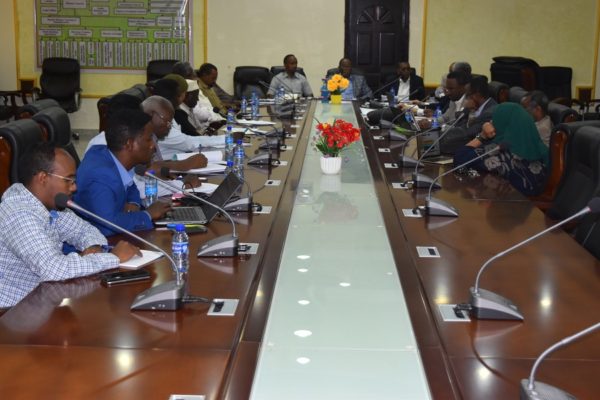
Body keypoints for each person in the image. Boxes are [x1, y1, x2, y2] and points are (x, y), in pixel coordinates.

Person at [0, 143, 140, 307]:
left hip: (42, 299)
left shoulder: (48, 205)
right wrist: (113, 258)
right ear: (43, 178)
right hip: (13, 312)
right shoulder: (18, 215)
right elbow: (54, 269)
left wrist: (93, 246)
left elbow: (85, 230)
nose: (74, 187)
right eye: (69, 180)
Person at [75, 109, 171, 236]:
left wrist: (133, 202)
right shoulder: (100, 175)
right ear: (129, 144)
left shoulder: (113, 157)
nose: (153, 145)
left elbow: (131, 187)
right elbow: (108, 225)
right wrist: (148, 215)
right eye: (148, 139)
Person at [453, 102, 549, 196]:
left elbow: (459, 162)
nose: (492, 122)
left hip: (506, 203)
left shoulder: (501, 150)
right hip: (527, 202)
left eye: (494, 119)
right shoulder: (541, 148)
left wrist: (482, 136)